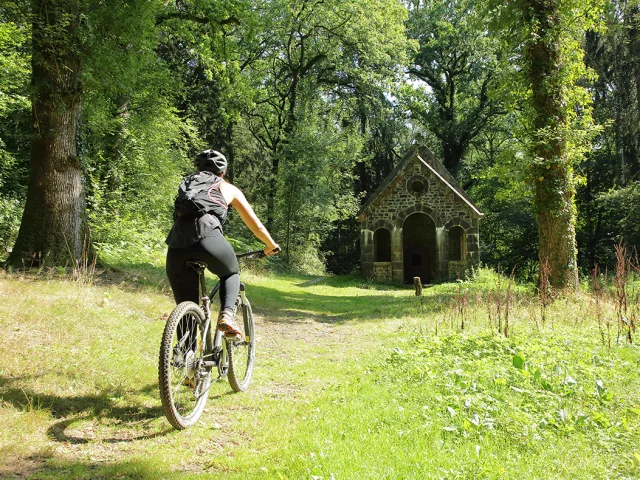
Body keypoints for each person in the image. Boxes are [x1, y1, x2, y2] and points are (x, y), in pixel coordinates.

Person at [166, 149, 279, 337]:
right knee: (231, 272)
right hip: (208, 239)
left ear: (198, 168)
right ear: (223, 171)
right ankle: (227, 314)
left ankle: (184, 357)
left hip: (176, 246)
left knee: (187, 308)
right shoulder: (228, 188)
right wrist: (270, 245)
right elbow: (255, 226)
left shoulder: (187, 185)